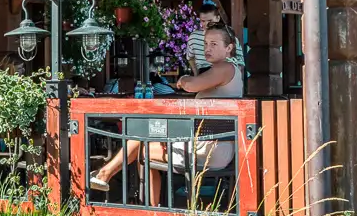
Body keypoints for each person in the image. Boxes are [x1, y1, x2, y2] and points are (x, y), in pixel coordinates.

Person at [89, 25, 243, 191]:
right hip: (217, 149)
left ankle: (106, 176)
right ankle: (105, 175)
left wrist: (183, 79)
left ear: (229, 48)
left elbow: (191, 85)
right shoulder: (230, 71)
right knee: (142, 141)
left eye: (214, 44)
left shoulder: (224, 68)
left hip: (208, 151)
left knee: (141, 143)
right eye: (205, 43)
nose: (207, 48)